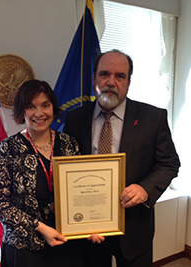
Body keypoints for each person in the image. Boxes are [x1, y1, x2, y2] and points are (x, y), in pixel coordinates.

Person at [63, 49, 180, 267]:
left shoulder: (153, 118)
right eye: (104, 74)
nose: (111, 81)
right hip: (90, 229)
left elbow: (169, 163)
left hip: (134, 228)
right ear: (94, 78)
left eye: (120, 76)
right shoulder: (75, 118)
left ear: (128, 81)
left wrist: (145, 189)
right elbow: (67, 167)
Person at [0, 79, 85, 267]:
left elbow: (81, 191)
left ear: (53, 108)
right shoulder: (7, 149)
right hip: (25, 248)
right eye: (31, 107)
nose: (39, 113)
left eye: (45, 105)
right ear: (22, 111)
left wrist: (91, 224)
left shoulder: (69, 144)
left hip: (66, 242)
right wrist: (41, 228)